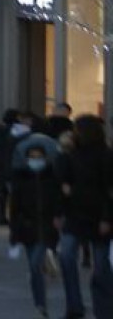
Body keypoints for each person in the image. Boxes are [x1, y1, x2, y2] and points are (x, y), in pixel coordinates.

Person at [55, 114, 113, 319]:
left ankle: (103, 308)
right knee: (67, 257)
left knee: (101, 266)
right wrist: (60, 211)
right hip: (75, 214)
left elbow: (109, 190)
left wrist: (107, 218)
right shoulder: (70, 155)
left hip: (98, 215)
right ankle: (75, 305)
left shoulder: (106, 156)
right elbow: (62, 184)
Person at [9, 140, 63, 318]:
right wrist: (14, 236)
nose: (36, 160)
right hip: (28, 228)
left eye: (39, 157)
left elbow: (58, 202)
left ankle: (41, 303)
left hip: (47, 228)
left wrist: (58, 216)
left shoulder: (52, 179)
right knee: (34, 267)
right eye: (32, 157)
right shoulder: (21, 180)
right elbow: (15, 209)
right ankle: (39, 300)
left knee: (34, 264)